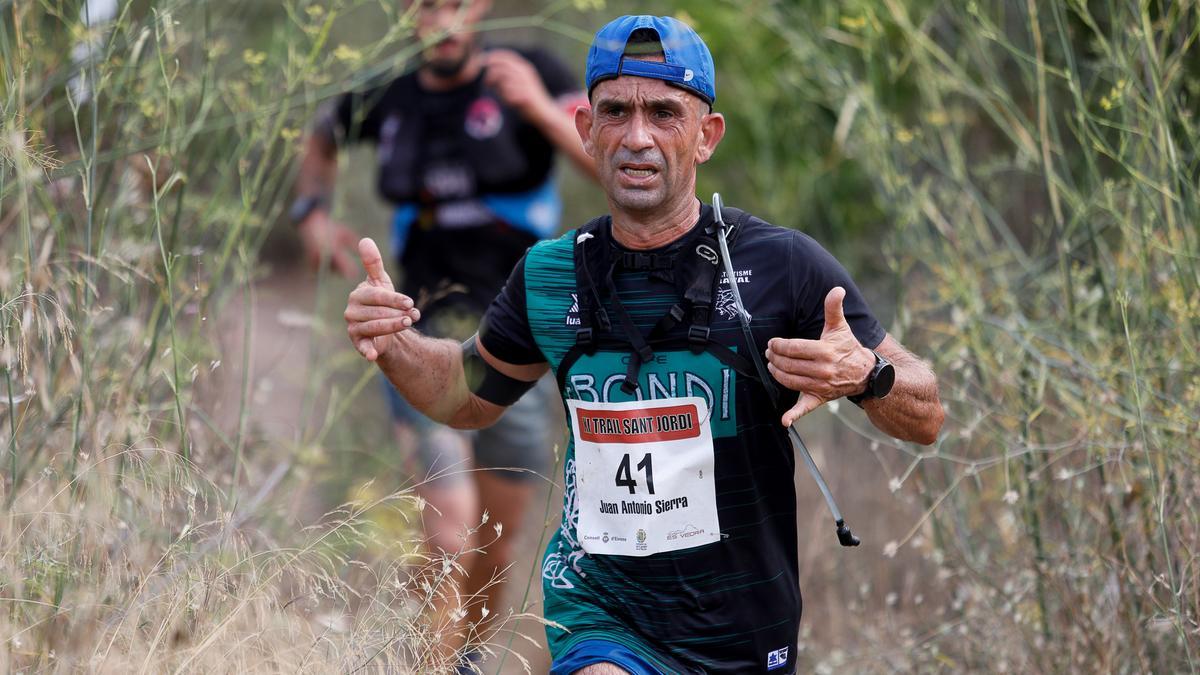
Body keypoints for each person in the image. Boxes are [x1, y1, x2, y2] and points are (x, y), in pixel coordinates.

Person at [344, 13, 945, 675]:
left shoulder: (783, 267)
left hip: (743, 626)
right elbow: (465, 394)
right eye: (615, 112)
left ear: (706, 135)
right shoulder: (550, 274)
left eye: (664, 113)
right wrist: (394, 342)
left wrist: (869, 373)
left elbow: (927, 413)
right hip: (601, 611)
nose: (637, 137)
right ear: (585, 128)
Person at [290, 0, 595, 667]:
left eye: (454, 4)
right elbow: (320, 134)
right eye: (425, 6)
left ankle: (464, 661)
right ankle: (426, 663)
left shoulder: (531, 69)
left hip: (518, 345)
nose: (441, 20)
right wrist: (310, 211)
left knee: (497, 542)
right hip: (422, 341)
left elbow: (615, 166)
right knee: (449, 534)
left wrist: (542, 108)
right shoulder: (389, 97)